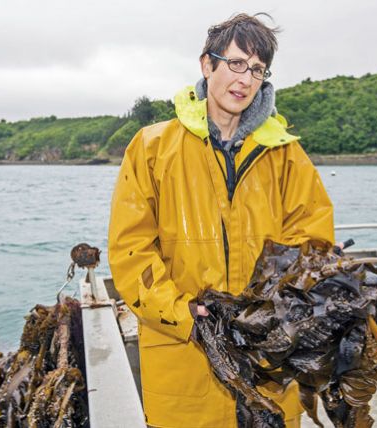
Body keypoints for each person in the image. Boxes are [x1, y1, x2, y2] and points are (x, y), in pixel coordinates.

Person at [108, 13, 334, 428]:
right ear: (206, 64)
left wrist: (277, 316)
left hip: (269, 363)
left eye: (257, 69)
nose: (245, 78)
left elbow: (312, 240)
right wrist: (183, 315)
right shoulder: (152, 147)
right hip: (184, 359)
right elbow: (130, 251)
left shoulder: (286, 155)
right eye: (234, 63)